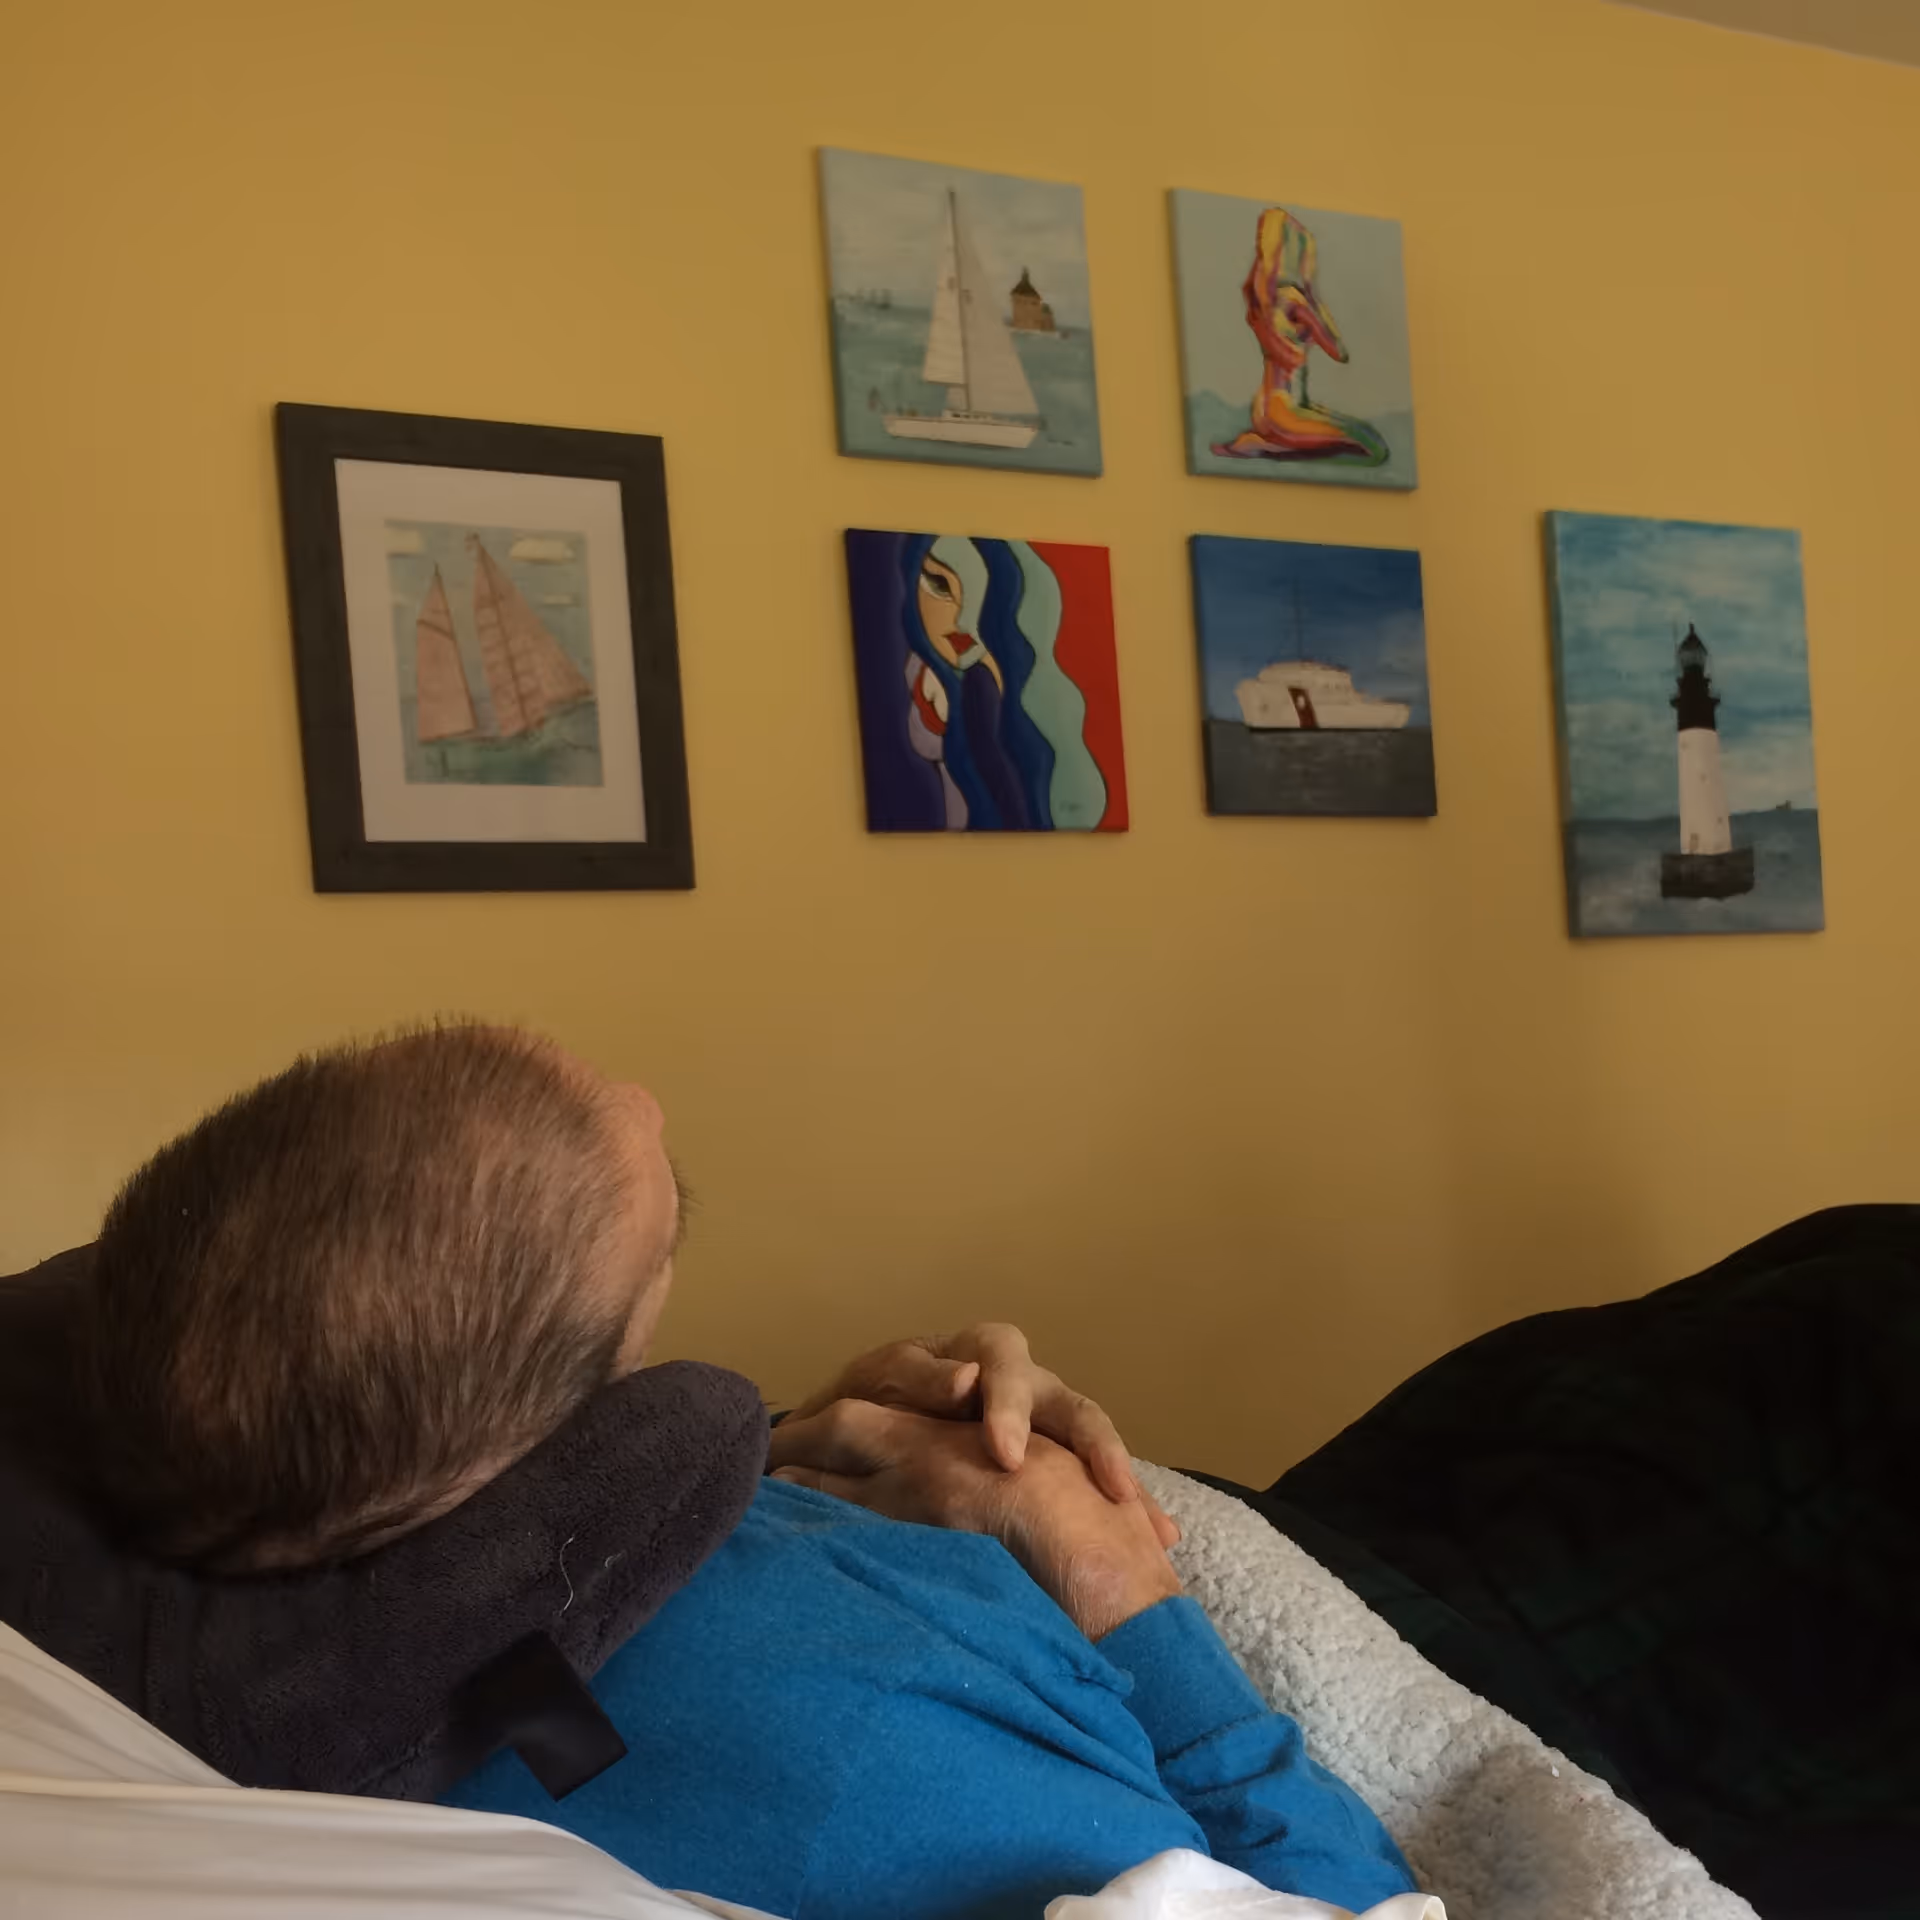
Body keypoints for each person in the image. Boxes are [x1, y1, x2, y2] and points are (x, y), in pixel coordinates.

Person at [81, 1023, 1418, 1920]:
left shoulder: (312, 1510)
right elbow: (1345, 1902)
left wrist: (789, 1461)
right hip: (1245, 1619)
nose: (646, 1098)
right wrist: (1112, 1570)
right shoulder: (874, 1747)